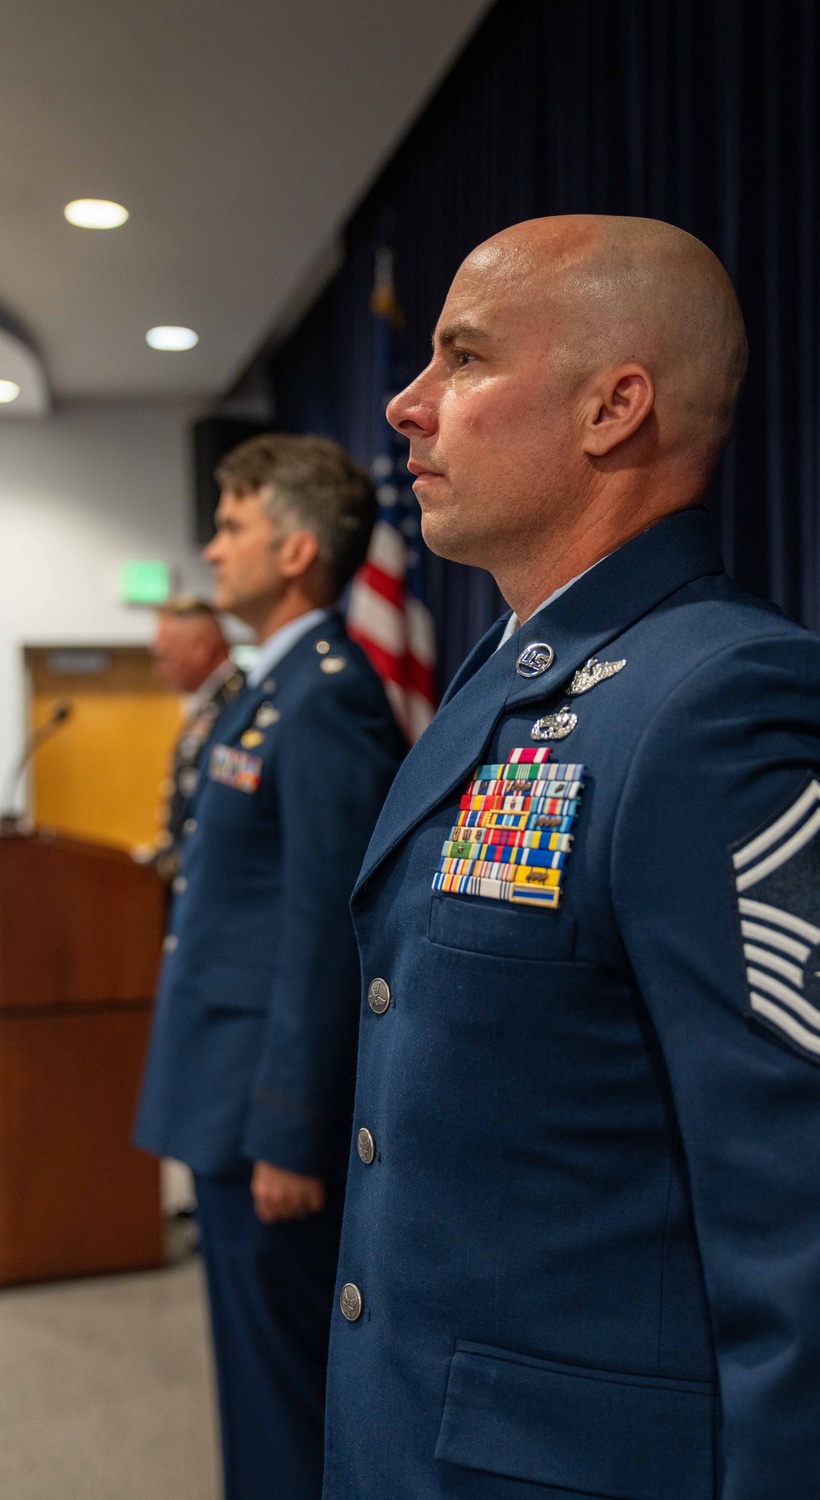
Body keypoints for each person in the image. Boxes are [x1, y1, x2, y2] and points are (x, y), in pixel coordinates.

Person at [324, 217, 820, 1499]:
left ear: (612, 407)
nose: (408, 406)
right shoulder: (514, 679)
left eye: (462, 359)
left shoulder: (740, 712)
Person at [134, 434, 407, 1500]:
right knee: (256, 1393)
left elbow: (322, 926)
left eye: (232, 525)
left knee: (286, 1398)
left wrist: (293, 1128)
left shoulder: (326, 695)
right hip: (231, 1096)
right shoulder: (269, 690)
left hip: (267, 1120)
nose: (212, 548)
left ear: (295, 550)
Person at [149, 596, 243, 884]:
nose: (159, 669)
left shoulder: (238, 704)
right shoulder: (211, 706)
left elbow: (229, 811)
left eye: (165, 656)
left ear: (201, 648)